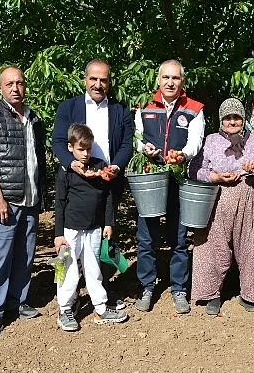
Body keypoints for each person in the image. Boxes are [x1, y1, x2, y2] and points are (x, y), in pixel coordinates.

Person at [52, 59, 134, 309]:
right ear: (85, 79)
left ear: (109, 82)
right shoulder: (69, 107)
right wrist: (71, 163)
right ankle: (67, 300)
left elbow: (126, 144)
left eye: (104, 80)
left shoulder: (120, 110)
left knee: (101, 242)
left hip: (106, 184)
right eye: (93, 79)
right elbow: (57, 141)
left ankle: (101, 293)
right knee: (68, 253)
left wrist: (115, 167)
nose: (98, 84)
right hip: (75, 185)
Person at [0, 66, 47, 340]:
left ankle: (17, 302)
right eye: (9, 84)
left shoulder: (33, 118)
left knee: (26, 255)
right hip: (5, 201)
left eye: (19, 83)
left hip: (29, 199)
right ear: (0, 88)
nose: (15, 88)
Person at [133, 59, 205, 313]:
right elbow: (137, 138)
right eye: (166, 78)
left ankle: (179, 289)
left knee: (178, 236)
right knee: (146, 236)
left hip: (178, 178)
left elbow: (196, 142)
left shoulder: (194, 109)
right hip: (151, 176)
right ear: (158, 80)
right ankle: (146, 286)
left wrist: (182, 155)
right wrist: (145, 149)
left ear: (182, 81)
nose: (170, 82)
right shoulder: (144, 106)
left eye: (175, 78)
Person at [190, 98, 254, 315]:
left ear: (243, 119)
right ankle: (212, 294)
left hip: (251, 199)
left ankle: (251, 294)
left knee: (253, 248)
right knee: (211, 248)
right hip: (218, 199)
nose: (232, 121)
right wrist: (214, 176)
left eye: (236, 117)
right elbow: (194, 170)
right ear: (221, 120)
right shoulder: (210, 141)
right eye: (228, 117)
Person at [54, 124, 128, 331]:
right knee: (67, 269)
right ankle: (65, 307)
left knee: (94, 268)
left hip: (94, 228)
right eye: (80, 149)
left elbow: (108, 198)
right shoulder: (66, 171)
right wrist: (58, 234)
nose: (85, 154)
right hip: (71, 230)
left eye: (88, 149)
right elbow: (59, 203)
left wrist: (108, 223)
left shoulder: (99, 166)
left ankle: (100, 307)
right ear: (70, 148)